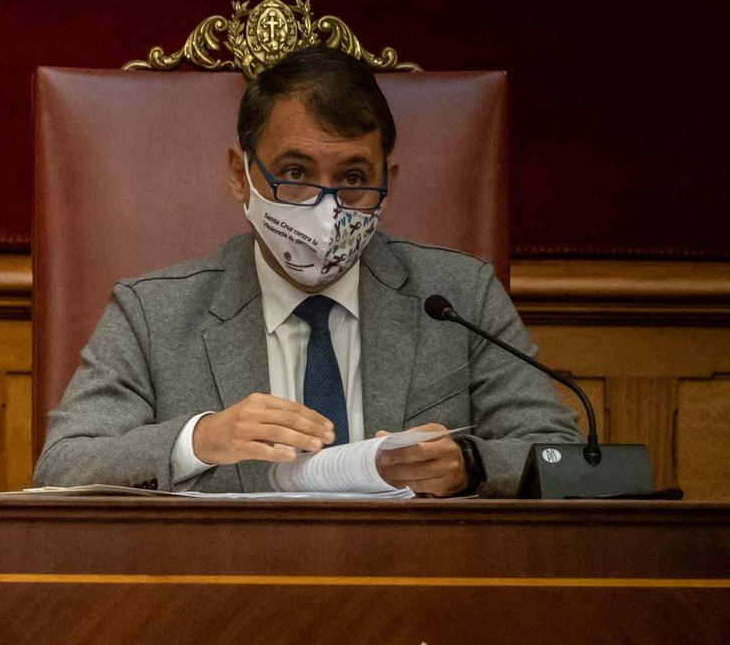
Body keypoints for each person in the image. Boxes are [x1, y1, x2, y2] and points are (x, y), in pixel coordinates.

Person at [32, 47, 579, 497]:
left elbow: (567, 459)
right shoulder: (152, 314)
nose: (326, 205)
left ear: (389, 179)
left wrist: (471, 463)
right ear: (240, 176)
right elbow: (62, 466)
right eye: (295, 173)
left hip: (414, 600)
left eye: (353, 177)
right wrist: (200, 439)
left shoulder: (458, 298)